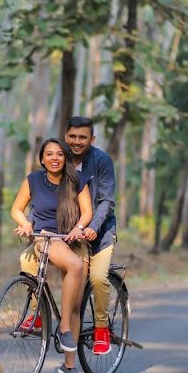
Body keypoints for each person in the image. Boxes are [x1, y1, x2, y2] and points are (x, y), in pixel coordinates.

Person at [10, 138, 94, 373]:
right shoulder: (33, 180)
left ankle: (70, 366)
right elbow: (16, 209)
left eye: (59, 154)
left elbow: (87, 211)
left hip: (72, 238)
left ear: (65, 158)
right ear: (42, 158)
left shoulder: (76, 181)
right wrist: (25, 223)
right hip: (48, 239)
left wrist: (79, 228)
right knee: (75, 266)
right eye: (49, 154)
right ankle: (64, 327)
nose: (55, 158)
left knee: (77, 304)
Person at [65, 116, 117, 356]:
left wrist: (94, 225)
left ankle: (101, 329)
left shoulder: (102, 161)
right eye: (73, 136)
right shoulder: (59, 159)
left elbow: (107, 201)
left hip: (101, 234)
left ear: (91, 139)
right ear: (66, 136)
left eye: (82, 137)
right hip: (70, 236)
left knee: (97, 278)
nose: (77, 141)